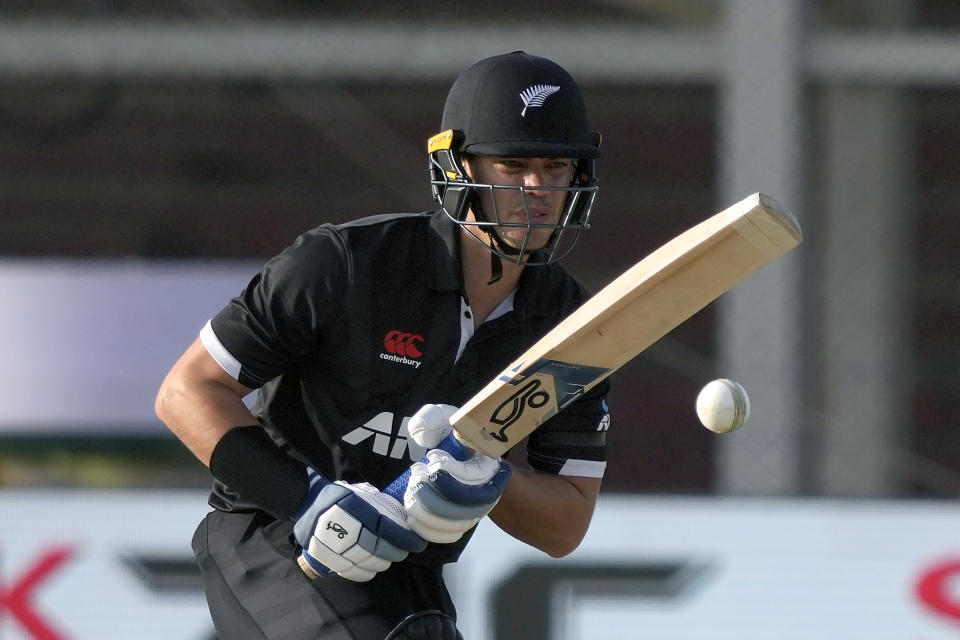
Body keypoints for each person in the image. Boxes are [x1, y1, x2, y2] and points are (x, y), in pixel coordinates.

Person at [155, 50, 611, 640]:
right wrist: (307, 502)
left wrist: (488, 476)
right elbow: (186, 391)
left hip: (407, 565)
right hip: (276, 536)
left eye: (556, 168)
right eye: (513, 164)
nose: (537, 189)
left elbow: (565, 524)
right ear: (456, 166)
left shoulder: (573, 325)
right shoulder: (343, 264)